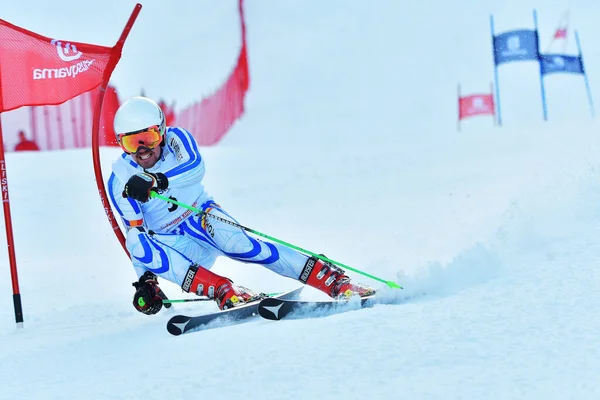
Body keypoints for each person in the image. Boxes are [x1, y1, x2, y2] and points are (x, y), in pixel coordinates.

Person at [108, 96, 375, 315]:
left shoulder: (178, 140)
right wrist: (146, 281)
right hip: (177, 247)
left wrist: (157, 180)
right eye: (132, 142)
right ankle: (223, 291)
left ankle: (331, 279)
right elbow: (137, 237)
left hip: (201, 216)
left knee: (239, 244)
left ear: (162, 130)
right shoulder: (121, 181)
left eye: (149, 137)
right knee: (134, 240)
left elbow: (195, 170)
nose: (142, 149)